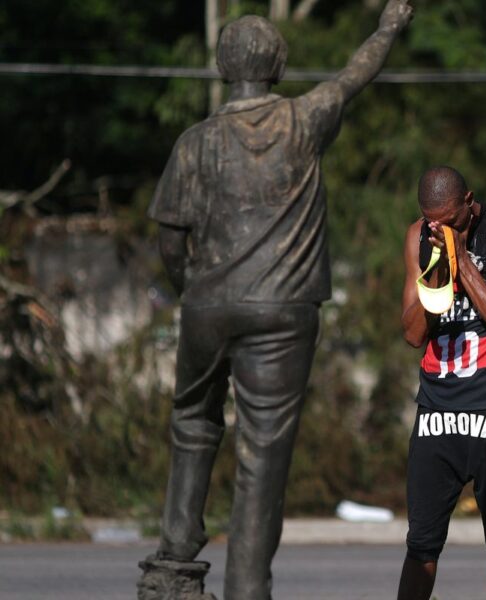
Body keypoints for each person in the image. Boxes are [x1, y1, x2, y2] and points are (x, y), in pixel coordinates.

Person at [139, 3, 413, 599]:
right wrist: (388, 27)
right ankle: (246, 589)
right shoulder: (303, 119)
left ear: (221, 70)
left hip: (207, 305)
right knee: (262, 453)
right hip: (283, 310)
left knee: (192, 420)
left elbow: (170, 238)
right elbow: (356, 73)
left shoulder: (194, 143)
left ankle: (173, 562)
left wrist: (195, 290)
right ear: (280, 67)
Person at [397, 166, 486, 600]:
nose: (442, 229)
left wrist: (463, 266)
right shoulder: (419, 237)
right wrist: (439, 269)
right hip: (438, 407)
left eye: (452, 220)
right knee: (421, 542)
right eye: (433, 221)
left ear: (469, 202)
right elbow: (413, 335)